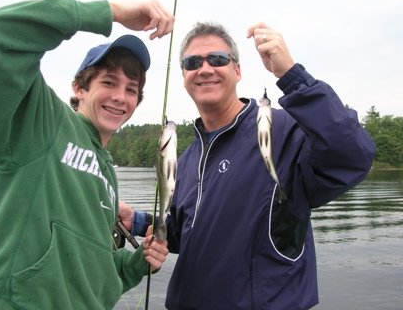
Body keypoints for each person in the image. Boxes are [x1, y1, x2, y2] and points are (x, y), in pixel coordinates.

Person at [119, 21, 376, 309]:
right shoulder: (186, 158)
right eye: (193, 62)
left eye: (217, 59)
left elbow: (352, 155)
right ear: (184, 77)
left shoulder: (285, 131)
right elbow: (183, 232)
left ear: (237, 70)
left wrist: (291, 76)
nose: (205, 69)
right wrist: (137, 221)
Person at [0, 0, 175, 309]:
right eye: (109, 81)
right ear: (79, 87)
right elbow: (0, 31)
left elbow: (97, 271)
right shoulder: (41, 121)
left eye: (131, 89)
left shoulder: (108, 173)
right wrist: (113, 13)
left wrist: (139, 262)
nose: (120, 97)